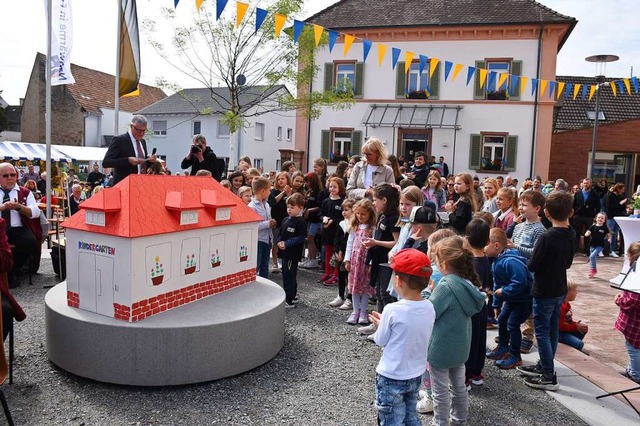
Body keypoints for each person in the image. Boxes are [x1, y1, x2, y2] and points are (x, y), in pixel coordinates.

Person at [370, 248, 435, 426]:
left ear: (397, 280)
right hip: (415, 373)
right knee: (410, 416)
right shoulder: (429, 306)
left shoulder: (392, 309)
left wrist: (380, 326)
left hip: (391, 374)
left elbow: (381, 340)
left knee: (391, 419)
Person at [519, 191, 575, 391]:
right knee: (552, 329)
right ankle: (545, 364)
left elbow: (533, 264)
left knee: (542, 332)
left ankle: (549, 375)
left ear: (546, 212)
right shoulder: (571, 234)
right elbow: (568, 263)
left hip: (544, 289)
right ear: (571, 212)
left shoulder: (546, 237)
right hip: (559, 287)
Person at [428, 235, 485, 426]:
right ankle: (459, 420)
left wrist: (428, 292)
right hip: (461, 345)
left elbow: (431, 312)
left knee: (440, 389)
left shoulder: (446, 285)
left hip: (440, 346)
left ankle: (440, 422)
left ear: (443, 263)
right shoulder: (468, 284)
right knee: (459, 387)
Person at [485, 228, 534, 369]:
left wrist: (505, 291)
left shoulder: (511, 261)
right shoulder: (496, 261)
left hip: (524, 300)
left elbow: (520, 282)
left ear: (496, 246)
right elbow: (497, 284)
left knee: (512, 324)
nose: (483, 248)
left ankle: (515, 356)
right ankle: (503, 347)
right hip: (512, 299)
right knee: (502, 319)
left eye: (485, 244)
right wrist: (496, 305)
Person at [508, 190, 547, 353]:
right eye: (520, 204)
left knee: (529, 308)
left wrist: (514, 247)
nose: (521, 208)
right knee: (513, 302)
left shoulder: (540, 230)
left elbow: (535, 253)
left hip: (530, 275)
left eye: (525, 205)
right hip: (516, 273)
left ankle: (527, 336)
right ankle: (512, 333)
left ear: (537, 209)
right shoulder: (518, 227)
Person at [0, 163, 41, 288]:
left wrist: (19, 207)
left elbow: (35, 212)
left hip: (16, 228)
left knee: (29, 241)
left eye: (13, 175)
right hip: (0, 227)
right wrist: (2, 207)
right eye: (5, 175)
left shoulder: (25, 192)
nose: (10, 178)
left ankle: (12, 270)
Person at [364, 184, 400, 318]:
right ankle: (377, 323)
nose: (373, 203)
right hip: (378, 259)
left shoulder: (393, 218)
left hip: (387, 262)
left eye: (375, 200)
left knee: (386, 294)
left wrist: (376, 242)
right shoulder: (382, 215)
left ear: (384, 200)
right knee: (378, 292)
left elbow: (396, 243)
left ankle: (386, 324)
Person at [464, 219, 491, 388]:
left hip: (470, 307)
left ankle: (465, 376)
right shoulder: (487, 260)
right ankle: (476, 373)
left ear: (466, 239)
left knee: (470, 341)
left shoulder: (468, 263)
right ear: (488, 241)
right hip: (483, 304)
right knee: (481, 339)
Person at [344, 199, 376, 325]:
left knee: (365, 287)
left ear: (370, 214)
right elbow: (350, 243)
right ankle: (355, 311)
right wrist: (347, 259)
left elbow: (373, 247)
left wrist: (372, 263)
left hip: (366, 260)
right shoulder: (354, 227)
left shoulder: (372, 228)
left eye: (363, 214)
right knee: (354, 286)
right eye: (357, 213)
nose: (359, 216)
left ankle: (363, 311)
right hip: (355, 260)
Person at [102, 115, 157, 185]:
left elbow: (141, 166)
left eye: (144, 130)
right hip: (124, 185)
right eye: (138, 130)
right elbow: (106, 162)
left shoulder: (143, 142)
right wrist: (127, 160)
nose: (141, 133)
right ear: (131, 126)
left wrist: (150, 161)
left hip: (140, 184)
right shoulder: (119, 140)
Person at [614, 242, 640, 384]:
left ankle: (636, 375)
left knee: (633, 347)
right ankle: (632, 370)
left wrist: (619, 300)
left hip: (635, 320)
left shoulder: (637, 276)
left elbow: (633, 300)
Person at [277, 193, 308, 308]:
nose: (289, 210)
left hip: (292, 254)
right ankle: (293, 296)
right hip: (284, 252)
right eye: (288, 207)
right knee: (286, 274)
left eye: (292, 207)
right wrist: (279, 241)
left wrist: (287, 244)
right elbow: (280, 233)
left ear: (301, 208)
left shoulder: (300, 222)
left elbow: (300, 237)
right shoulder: (286, 219)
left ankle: (289, 300)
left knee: (289, 276)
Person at [328, 198, 356, 309]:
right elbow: (337, 238)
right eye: (343, 210)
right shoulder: (341, 223)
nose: (344, 212)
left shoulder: (355, 225)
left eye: (347, 210)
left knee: (350, 277)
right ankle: (340, 295)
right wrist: (336, 251)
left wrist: (344, 252)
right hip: (340, 254)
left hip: (350, 254)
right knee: (341, 275)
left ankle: (349, 298)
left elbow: (350, 240)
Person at [319, 177, 346, 285]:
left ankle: (335, 274)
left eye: (335, 187)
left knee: (335, 253)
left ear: (340, 188)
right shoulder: (326, 201)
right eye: (330, 186)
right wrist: (324, 218)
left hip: (337, 232)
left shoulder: (342, 202)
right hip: (327, 231)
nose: (332, 189)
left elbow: (343, 218)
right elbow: (320, 214)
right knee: (327, 252)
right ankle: (327, 272)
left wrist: (333, 221)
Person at [248, 177, 276, 279]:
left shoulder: (266, 204)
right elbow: (253, 226)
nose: (270, 192)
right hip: (258, 240)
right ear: (263, 191)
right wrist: (268, 224)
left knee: (265, 266)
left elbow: (267, 218)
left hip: (267, 239)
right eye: (269, 190)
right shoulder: (252, 206)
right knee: (256, 265)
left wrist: (271, 222)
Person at [268, 172, 292, 273]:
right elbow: (273, 202)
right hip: (276, 220)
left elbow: (292, 203)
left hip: (287, 221)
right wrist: (283, 193)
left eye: (283, 179)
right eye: (279, 179)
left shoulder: (291, 191)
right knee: (276, 242)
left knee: (286, 241)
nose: (281, 181)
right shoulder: (273, 191)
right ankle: (274, 263)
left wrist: (289, 194)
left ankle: (286, 262)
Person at [558, 281, 589, 352]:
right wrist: (575, 327)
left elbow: (567, 321)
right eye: (574, 291)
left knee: (584, 328)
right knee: (579, 344)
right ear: (567, 292)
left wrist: (575, 324)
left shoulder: (567, 305)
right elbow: (559, 326)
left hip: (564, 330)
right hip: (558, 333)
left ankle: (569, 344)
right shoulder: (561, 307)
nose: (576, 293)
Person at [572, 177, 599, 255]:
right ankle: (575, 250)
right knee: (577, 233)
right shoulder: (578, 193)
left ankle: (587, 250)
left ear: (590, 184)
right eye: (584, 183)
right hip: (579, 215)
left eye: (587, 183)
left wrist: (595, 215)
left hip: (589, 216)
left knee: (588, 233)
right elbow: (574, 204)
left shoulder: (594, 194)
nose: (585, 184)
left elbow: (598, 205)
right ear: (582, 184)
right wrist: (575, 213)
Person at [301, 173, 322, 269]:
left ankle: (313, 260)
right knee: (309, 239)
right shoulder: (310, 191)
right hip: (310, 219)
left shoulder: (318, 192)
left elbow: (320, 206)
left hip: (315, 219)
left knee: (310, 238)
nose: (306, 183)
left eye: (307, 181)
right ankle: (310, 258)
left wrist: (309, 210)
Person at [603, 183, 627, 257]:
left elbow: (622, 207)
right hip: (611, 217)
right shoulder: (609, 196)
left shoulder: (620, 196)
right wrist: (620, 204)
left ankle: (612, 250)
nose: (623, 191)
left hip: (618, 217)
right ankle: (606, 249)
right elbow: (609, 207)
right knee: (609, 233)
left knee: (615, 234)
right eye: (622, 189)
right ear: (618, 188)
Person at [585, 212, 611, 278]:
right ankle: (593, 270)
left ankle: (592, 270)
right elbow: (588, 232)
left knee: (592, 256)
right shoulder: (593, 226)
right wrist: (587, 233)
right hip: (592, 245)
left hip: (600, 245)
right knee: (592, 258)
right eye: (599, 217)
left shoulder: (604, 228)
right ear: (596, 219)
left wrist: (609, 239)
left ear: (604, 220)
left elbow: (609, 234)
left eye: (602, 218)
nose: (600, 219)